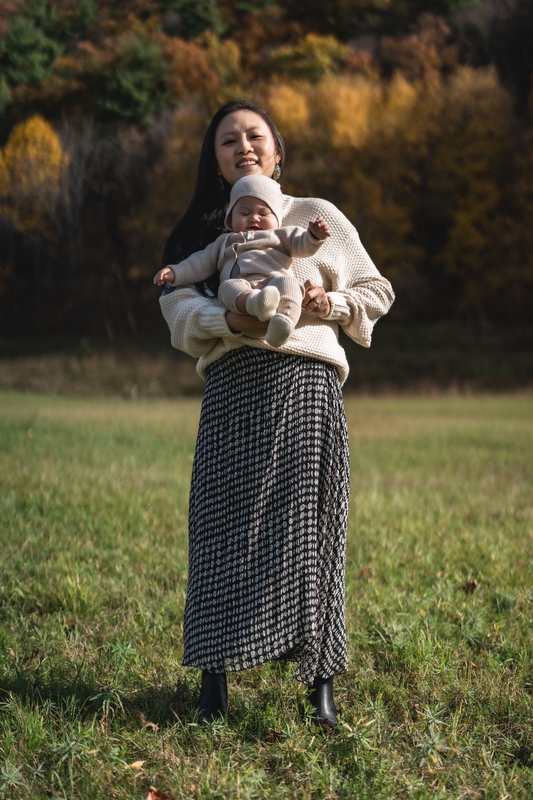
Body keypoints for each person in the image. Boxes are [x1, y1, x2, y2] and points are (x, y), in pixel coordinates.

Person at [159, 99, 394, 727]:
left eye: (255, 136)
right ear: (214, 160)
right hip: (233, 384)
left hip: (309, 383)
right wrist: (228, 319)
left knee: (312, 531)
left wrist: (329, 302)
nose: (244, 147)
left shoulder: (315, 217)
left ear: (278, 150)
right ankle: (215, 681)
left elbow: (378, 292)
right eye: (227, 140)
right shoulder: (205, 236)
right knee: (220, 529)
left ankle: (320, 684)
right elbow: (178, 312)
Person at [154, 175, 330, 347]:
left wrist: (314, 236)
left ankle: (284, 322)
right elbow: (199, 263)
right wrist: (175, 272)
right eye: (244, 213)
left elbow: (302, 245)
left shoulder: (280, 235)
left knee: (290, 284)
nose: (254, 218)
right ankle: (256, 302)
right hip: (242, 290)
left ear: (277, 218)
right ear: (230, 219)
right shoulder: (224, 242)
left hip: (275, 283)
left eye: (263, 213)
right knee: (226, 289)